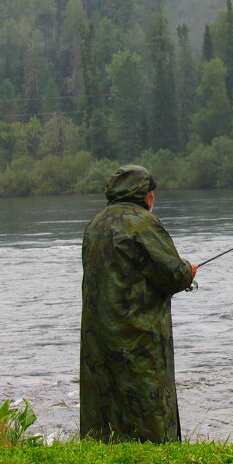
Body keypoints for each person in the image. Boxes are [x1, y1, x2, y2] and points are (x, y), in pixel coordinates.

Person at [80, 164, 197, 443]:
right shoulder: (143, 223)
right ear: (146, 195)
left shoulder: (95, 224)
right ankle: (157, 446)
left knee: (105, 391)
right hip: (138, 330)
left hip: (97, 331)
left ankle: (103, 443)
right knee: (147, 388)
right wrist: (188, 271)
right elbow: (172, 274)